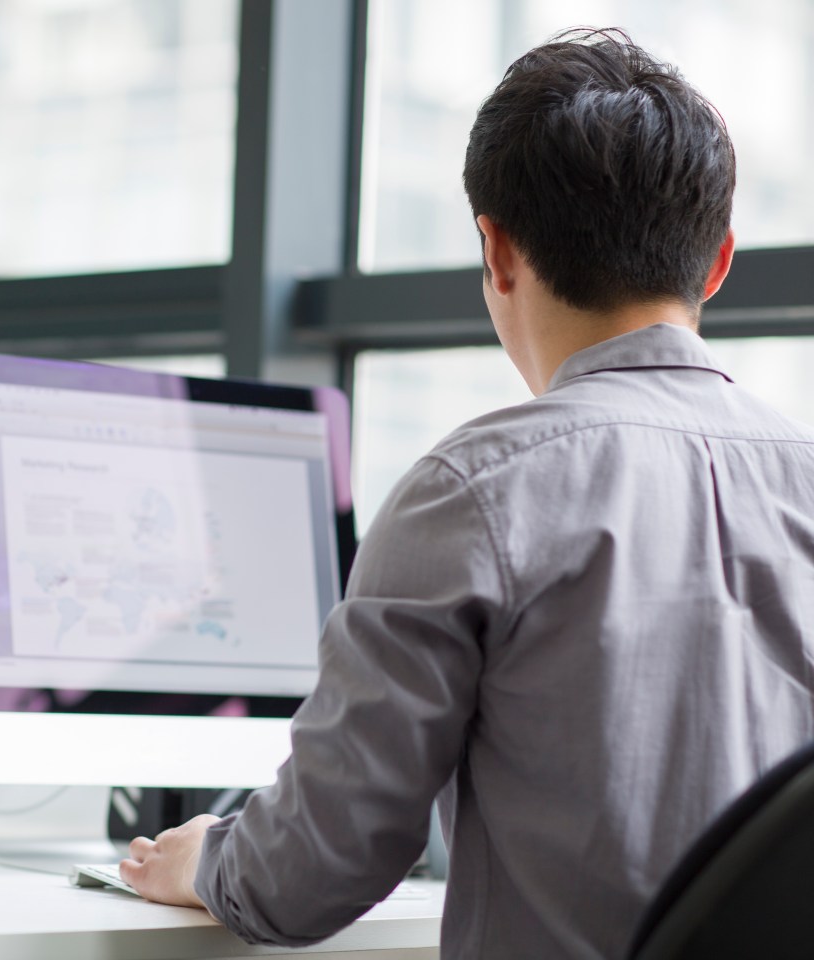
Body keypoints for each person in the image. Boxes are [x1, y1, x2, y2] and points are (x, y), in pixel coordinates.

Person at [120, 27, 814, 959]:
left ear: (498, 252)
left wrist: (207, 857)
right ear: (719, 262)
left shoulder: (471, 493)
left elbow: (311, 876)